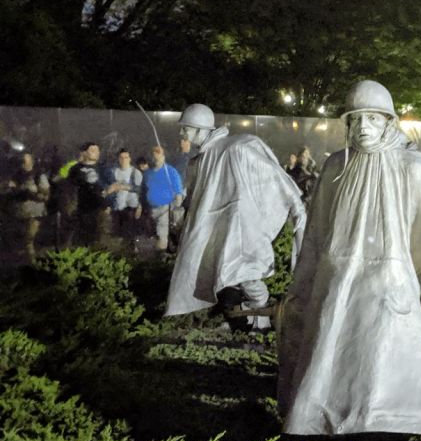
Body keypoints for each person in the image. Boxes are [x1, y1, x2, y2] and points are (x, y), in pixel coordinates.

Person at [277, 80, 421, 436]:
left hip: (391, 286)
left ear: (389, 121)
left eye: (372, 117)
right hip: (337, 281)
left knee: (385, 367)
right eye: (355, 119)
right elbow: (316, 234)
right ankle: (324, 425)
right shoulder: (334, 168)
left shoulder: (419, 170)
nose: (363, 127)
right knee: (333, 362)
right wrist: (305, 284)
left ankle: (389, 431)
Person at [164, 104, 306, 330]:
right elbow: (194, 198)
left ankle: (259, 315)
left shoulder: (236, 148)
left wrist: (296, 209)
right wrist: (181, 216)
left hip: (241, 227)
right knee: (222, 274)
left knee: (245, 272)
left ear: (201, 129)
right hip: (215, 227)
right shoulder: (198, 161)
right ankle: (247, 318)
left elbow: (275, 178)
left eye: (187, 129)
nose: (182, 134)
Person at [66, 142, 115, 246]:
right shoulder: (75, 169)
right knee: (81, 240)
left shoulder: (103, 169)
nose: (96, 153)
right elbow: (70, 188)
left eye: (97, 151)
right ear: (84, 153)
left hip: (100, 209)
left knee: (99, 240)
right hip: (82, 209)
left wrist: (108, 203)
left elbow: (113, 186)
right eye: (92, 151)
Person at [5, 151, 50, 261]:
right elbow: (10, 190)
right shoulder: (16, 175)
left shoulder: (38, 174)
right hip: (20, 212)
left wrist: (34, 193)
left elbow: (45, 193)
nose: (24, 162)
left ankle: (32, 261)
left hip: (35, 212)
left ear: (32, 161)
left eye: (26, 159)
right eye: (22, 159)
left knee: (29, 238)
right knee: (22, 238)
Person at [142, 146, 184, 252]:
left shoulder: (171, 171)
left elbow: (178, 191)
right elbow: (143, 190)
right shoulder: (148, 173)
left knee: (162, 235)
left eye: (159, 153)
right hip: (150, 210)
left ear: (164, 156)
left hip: (165, 209)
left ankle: (161, 256)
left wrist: (176, 208)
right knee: (150, 235)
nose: (156, 155)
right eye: (154, 153)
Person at [108, 148, 143, 244]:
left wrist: (140, 207)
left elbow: (140, 190)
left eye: (126, 157)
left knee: (129, 234)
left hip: (131, 207)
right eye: (121, 158)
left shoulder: (135, 172)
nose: (123, 160)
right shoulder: (114, 172)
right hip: (118, 206)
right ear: (118, 159)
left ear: (130, 159)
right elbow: (111, 188)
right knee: (117, 233)